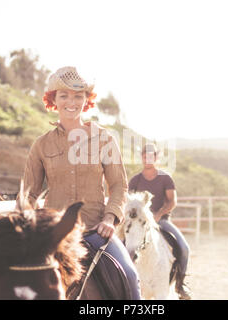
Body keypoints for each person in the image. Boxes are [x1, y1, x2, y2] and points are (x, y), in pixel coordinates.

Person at [19, 66, 141, 299]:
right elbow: (29, 194)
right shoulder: (41, 145)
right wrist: (27, 227)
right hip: (53, 236)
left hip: (96, 232)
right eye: (63, 95)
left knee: (130, 275)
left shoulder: (105, 139)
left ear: (87, 100)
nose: (71, 102)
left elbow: (118, 186)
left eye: (78, 96)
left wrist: (109, 218)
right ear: (53, 99)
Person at [128, 143, 191, 300]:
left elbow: (172, 201)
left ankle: (180, 284)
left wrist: (158, 215)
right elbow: (129, 204)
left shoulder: (165, 178)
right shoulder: (135, 180)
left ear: (156, 158)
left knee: (184, 248)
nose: (147, 159)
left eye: (151, 156)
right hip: (138, 224)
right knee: (122, 246)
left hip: (161, 221)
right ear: (142, 158)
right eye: (144, 156)